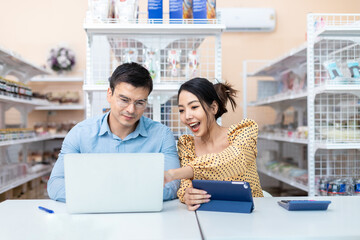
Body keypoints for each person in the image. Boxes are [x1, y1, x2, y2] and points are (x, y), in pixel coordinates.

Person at [48, 62, 180, 202]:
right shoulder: (80, 134)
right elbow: (55, 184)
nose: (131, 110)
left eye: (140, 102)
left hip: (143, 218)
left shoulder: (162, 135)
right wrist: (105, 197)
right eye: (124, 100)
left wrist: (116, 196)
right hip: (93, 217)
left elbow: (174, 184)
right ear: (109, 94)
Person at [164, 77, 263, 210]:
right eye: (181, 110)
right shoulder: (187, 145)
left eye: (194, 107)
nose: (187, 116)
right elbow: (185, 186)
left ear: (214, 108)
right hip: (208, 218)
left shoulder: (243, 132)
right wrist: (187, 195)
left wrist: (173, 174)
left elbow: (233, 160)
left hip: (251, 216)